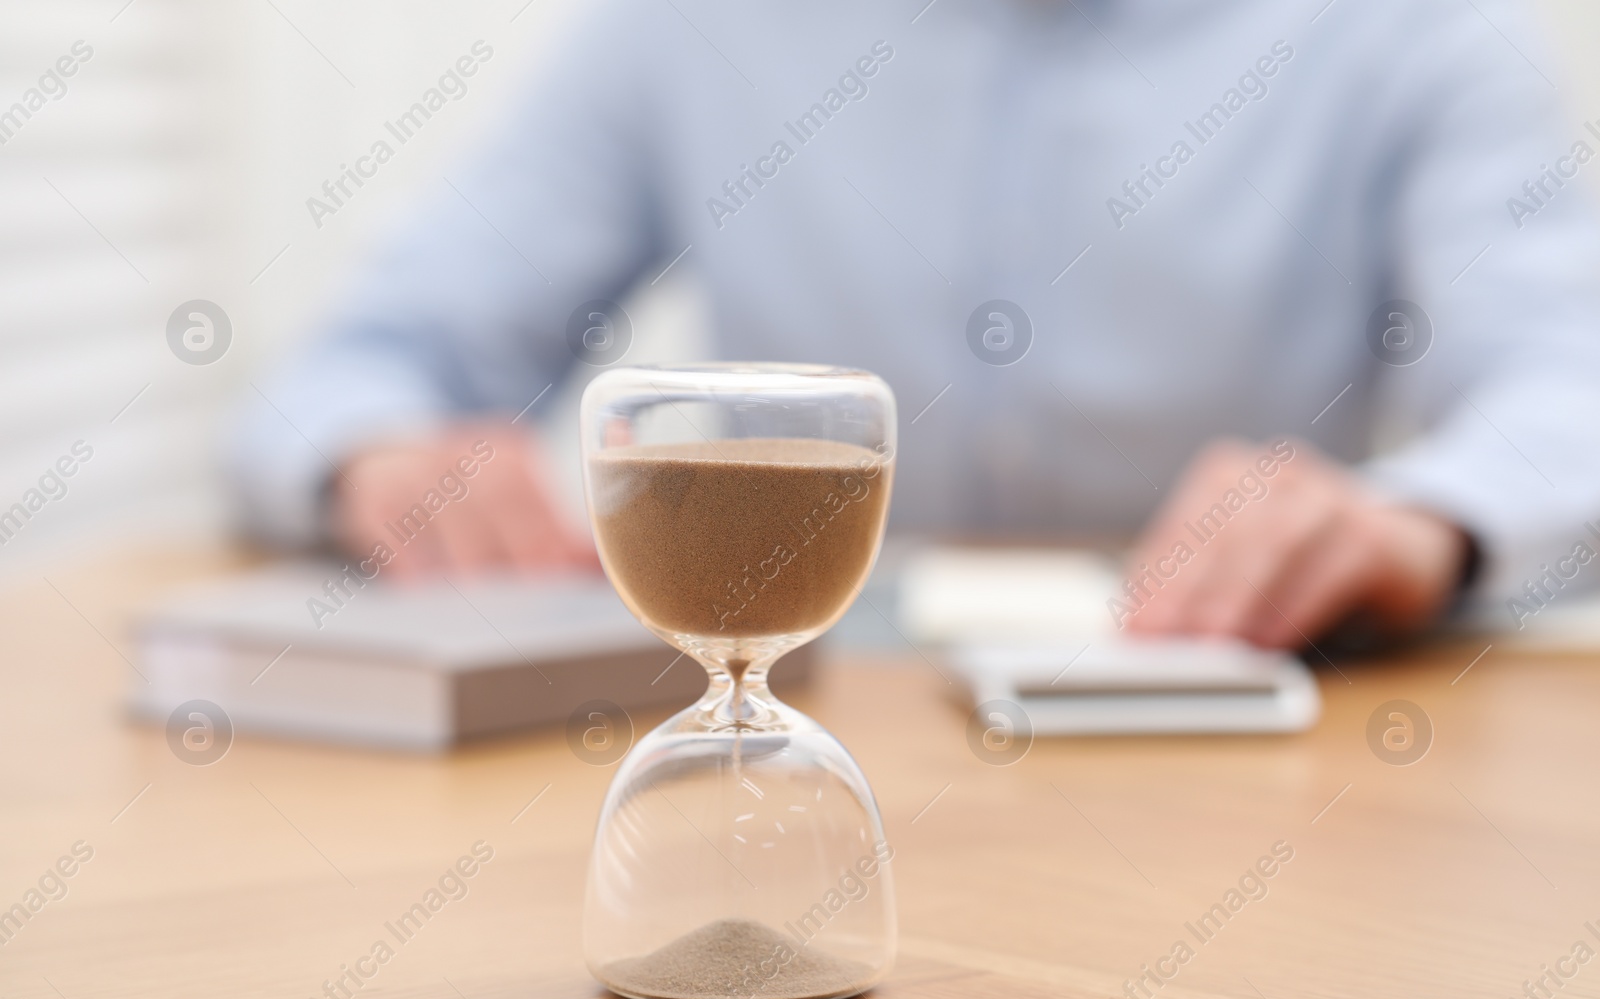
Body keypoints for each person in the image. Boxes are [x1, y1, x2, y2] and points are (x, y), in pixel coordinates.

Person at [231, 0, 1600, 650]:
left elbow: (1570, 384)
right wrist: (381, 453)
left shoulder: (1422, 34)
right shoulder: (682, 31)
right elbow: (359, 365)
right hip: (809, 695)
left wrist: (1431, 517)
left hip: (1254, 734)